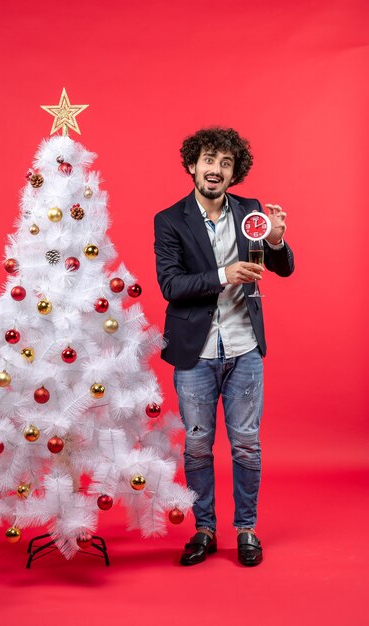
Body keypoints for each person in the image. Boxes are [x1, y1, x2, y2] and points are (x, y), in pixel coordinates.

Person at [153, 127, 294, 567]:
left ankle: (246, 529)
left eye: (226, 163)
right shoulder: (170, 220)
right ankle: (204, 529)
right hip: (194, 352)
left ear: (235, 173)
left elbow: (283, 268)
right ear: (192, 165)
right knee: (197, 445)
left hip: (245, 347)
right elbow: (170, 285)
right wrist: (222, 276)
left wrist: (275, 241)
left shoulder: (251, 211)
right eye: (209, 160)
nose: (216, 169)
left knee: (247, 444)